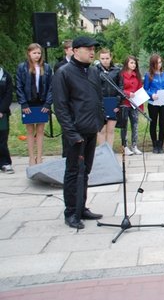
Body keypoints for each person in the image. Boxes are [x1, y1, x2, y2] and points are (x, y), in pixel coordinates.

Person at [52, 36, 105, 229]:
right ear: (75, 51)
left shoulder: (92, 72)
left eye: (93, 49)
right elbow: (61, 107)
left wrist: (100, 121)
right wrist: (71, 133)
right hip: (75, 132)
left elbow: (96, 98)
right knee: (74, 171)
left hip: (91, 129)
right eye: (88, 48)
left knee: (86, 171)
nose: (92, 52)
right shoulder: (63, 73)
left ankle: (81, 207)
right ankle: (71, 212)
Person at [16, 43, 53, 166]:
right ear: (29, 53)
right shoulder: (22, 67)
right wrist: (23, 104)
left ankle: (39, 156)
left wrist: (48, 104)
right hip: (28, 103)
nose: (37, 55)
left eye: (39, 53)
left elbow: (51, 87)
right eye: (34, 53)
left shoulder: (46, 68)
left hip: (42, 102)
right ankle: (31, 157)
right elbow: (19, 86)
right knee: (30, 130)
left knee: (41, 130)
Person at [143, 54, 164, 154]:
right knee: (153, 123)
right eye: (156, 63)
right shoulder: (148, 75)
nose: (159, 64)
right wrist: (151, 95)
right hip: (153, 103)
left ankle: (161, 145)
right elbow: (145, 89)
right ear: (152, 64)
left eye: (160, 62)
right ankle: (154, 145)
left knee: (162, 124)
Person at [96, 49, 122, 149]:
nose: (105, 60)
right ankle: (103, 152)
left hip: (112, 102)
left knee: (110, 130)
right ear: (99, 58)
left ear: (111, 58)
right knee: (101, 130)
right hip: (100, 102)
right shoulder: (95, 70)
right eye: (102, 58)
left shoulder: (116, 70)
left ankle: (109, 151)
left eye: (107, 58)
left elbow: (121, 87)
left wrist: (118, 100)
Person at [119, 55, 143, 156]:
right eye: (131, 63)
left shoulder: (137, 75)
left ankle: (134, 146)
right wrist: (128, 93)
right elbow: (119, 88)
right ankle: (125, 146)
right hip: (125, 104)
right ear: (126, 63)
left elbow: (140, 89)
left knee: (135, 125)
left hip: (134, 104)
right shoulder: (121, 75)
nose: (133, 65)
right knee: (124, 126)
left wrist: (140, 106)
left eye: (134, 63)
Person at [0, 66, 13, 174]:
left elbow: (9, 95)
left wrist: (1, 110)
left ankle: (5, 163)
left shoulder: (6, 75)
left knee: (2, 139)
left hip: (2, 114)